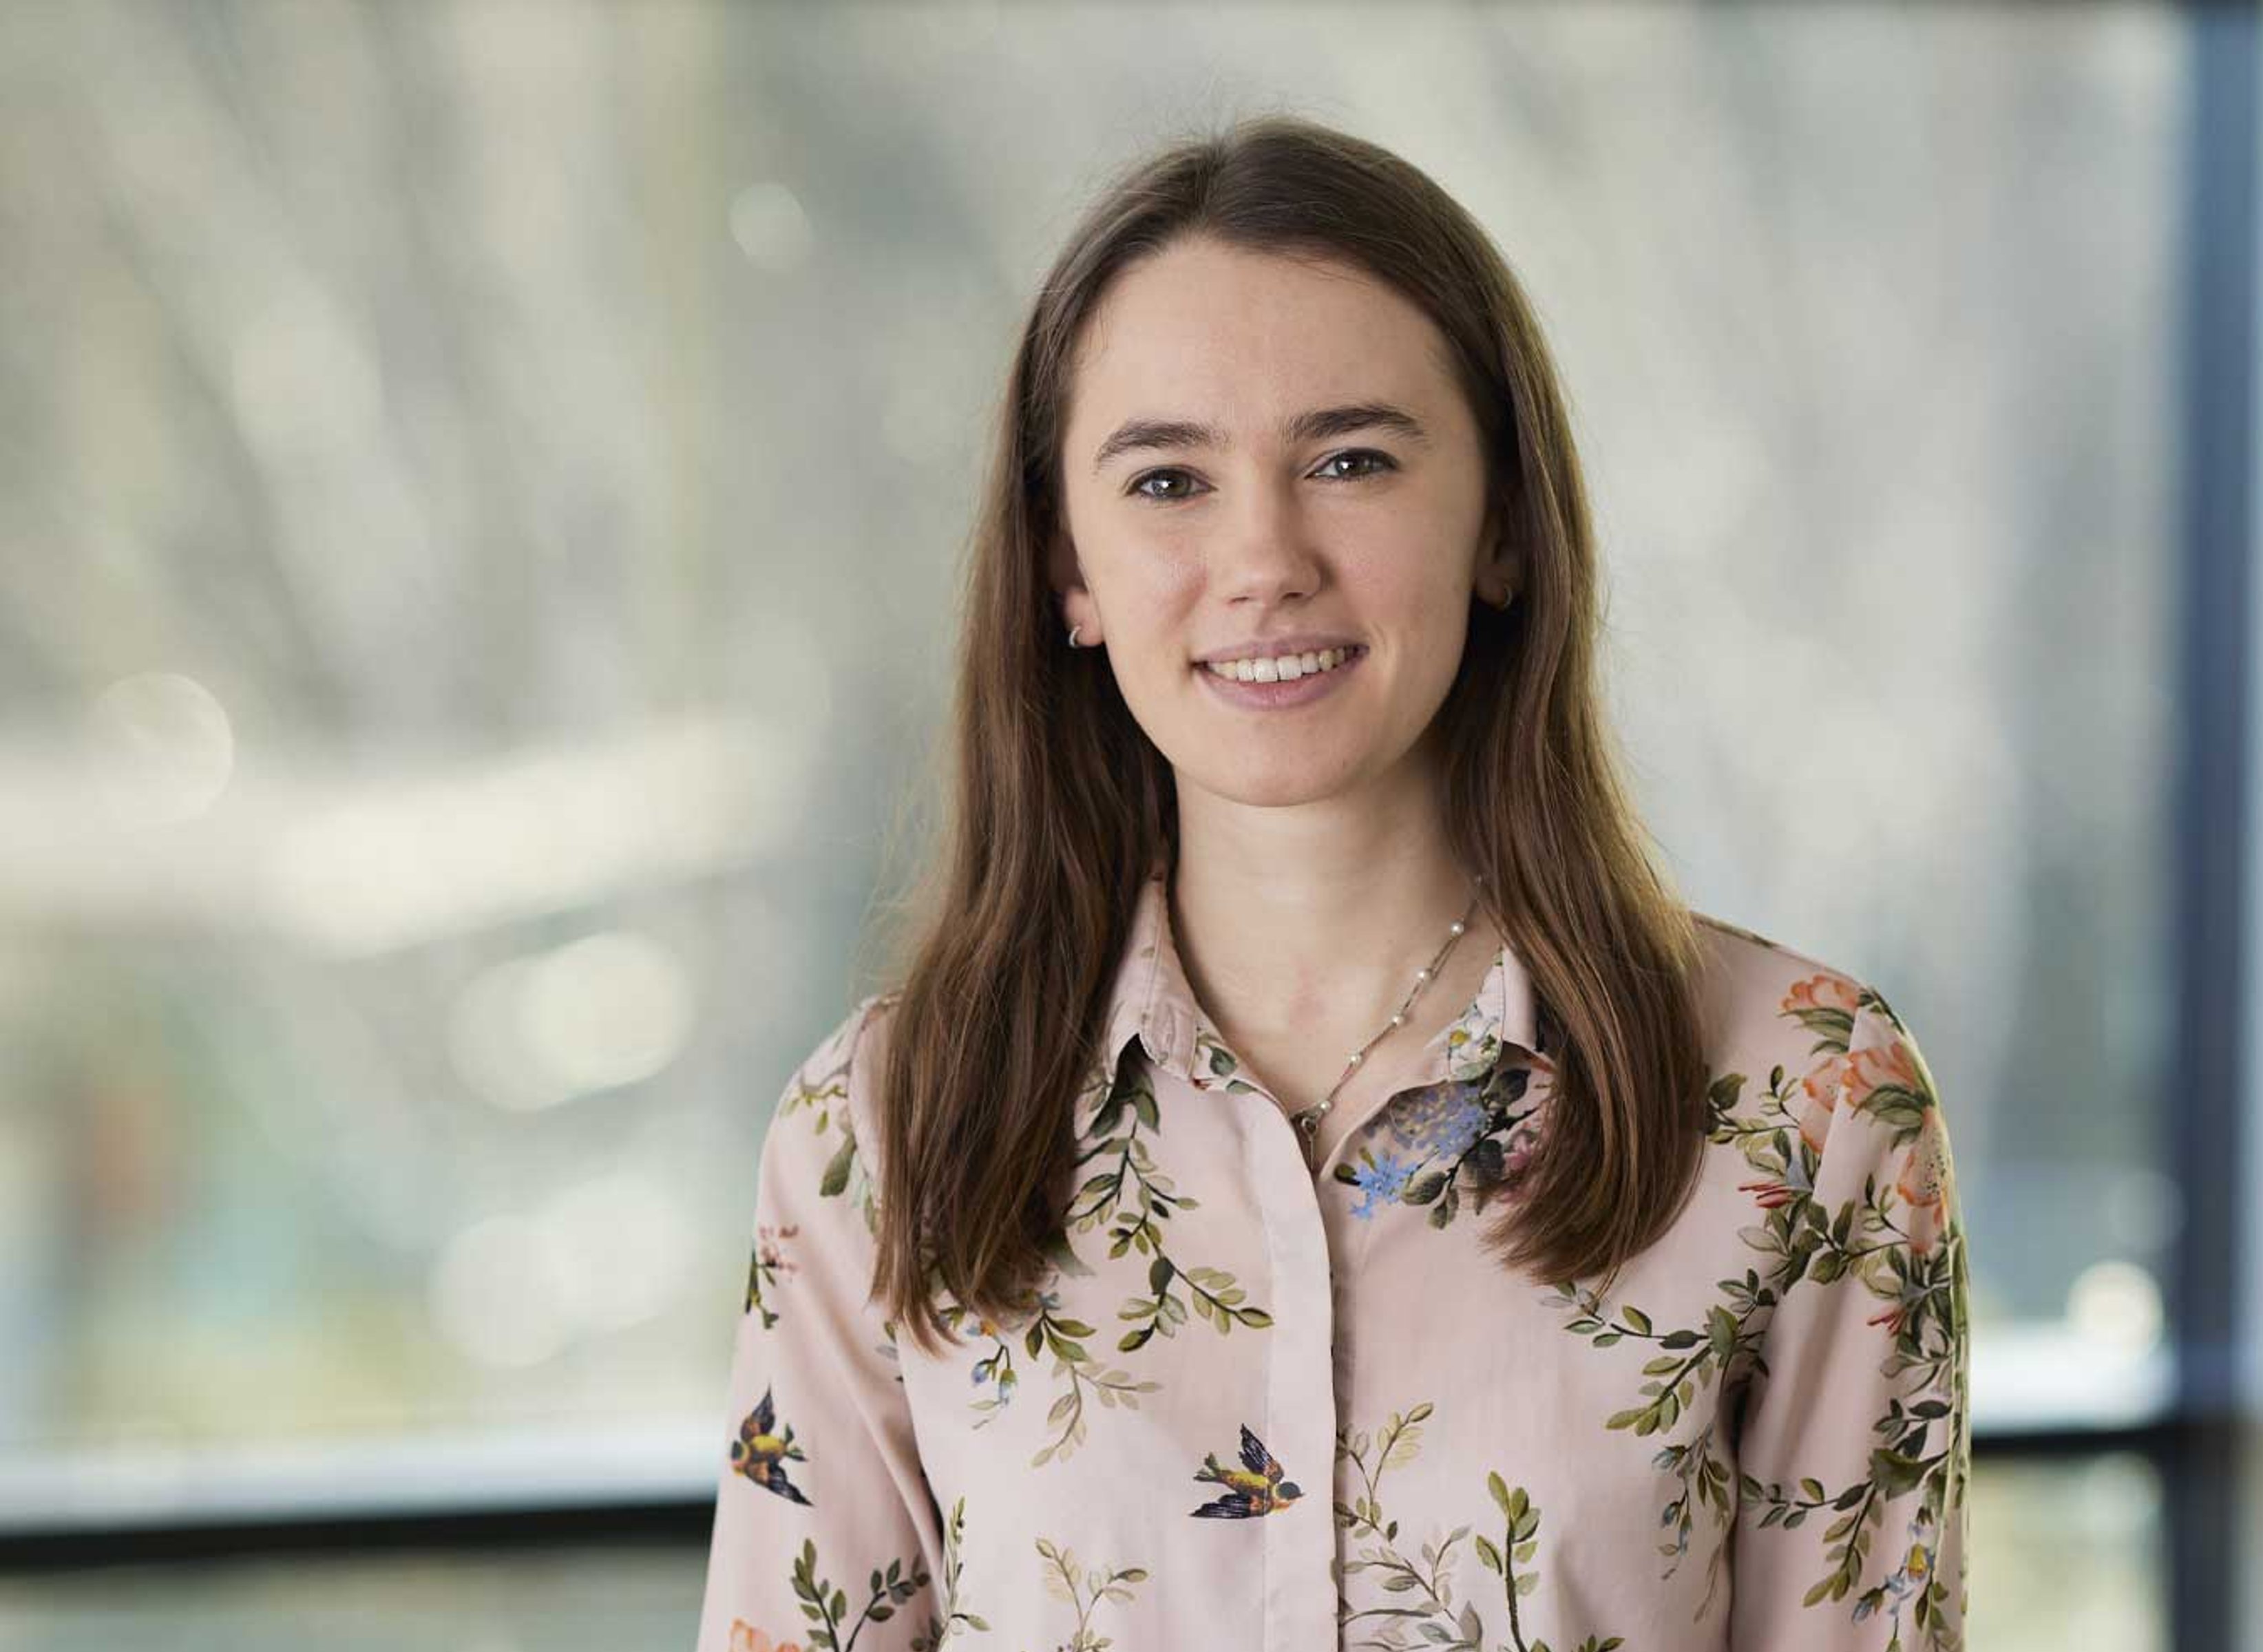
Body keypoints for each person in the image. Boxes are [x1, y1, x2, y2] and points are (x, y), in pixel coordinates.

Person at [695, 112, 1969, 1652]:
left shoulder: (1802, 1098)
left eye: (1352, 461)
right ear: (1068, 570)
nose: (1266, 559)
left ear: (1503, 521)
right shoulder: (881, 1132)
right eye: (1168, 481)